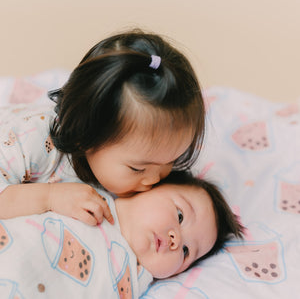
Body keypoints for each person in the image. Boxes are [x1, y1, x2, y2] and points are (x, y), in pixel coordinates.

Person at [0, 29, 205, 226]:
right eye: (138, 168)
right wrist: (50, 197)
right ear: (84, 132)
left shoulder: (138, 170)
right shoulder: (31, 140)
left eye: (171, 160)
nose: (153, 178)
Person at [0, 171, 243, 298]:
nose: (176, 240)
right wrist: (49, 197)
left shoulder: (137, 282)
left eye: (187, 251)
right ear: (147, 186)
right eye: (179, 215)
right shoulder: (82, 190)